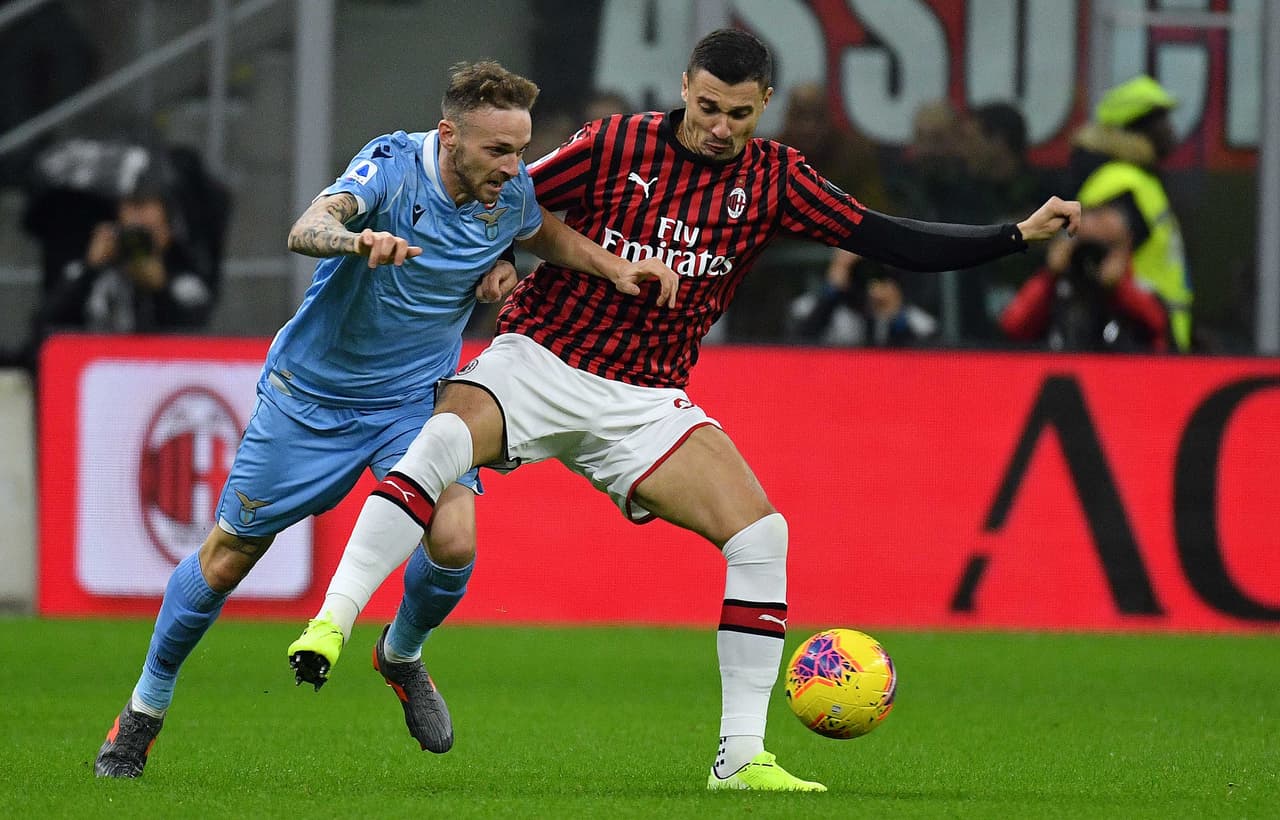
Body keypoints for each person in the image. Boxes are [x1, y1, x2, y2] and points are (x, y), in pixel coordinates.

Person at [288, 29, 1079, 792]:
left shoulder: (778, 179)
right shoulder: (614, 143)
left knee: (762, 536)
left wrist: (1015, 234)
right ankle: (333, 623)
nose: (719, 128)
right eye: (707, 107)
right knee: (439, 443)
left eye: (739, 113)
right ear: (683, 90)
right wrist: (496, 258)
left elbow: (887, 237)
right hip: (540, 359)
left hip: (645, 399)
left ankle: (740, 759)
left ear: (763, 104)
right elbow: (508, 200)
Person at [92, 60, 678, 779]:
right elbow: (309, 226)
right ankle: (142, 712)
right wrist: (357, 241)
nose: (514, 166)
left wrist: (608, 268)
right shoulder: (393, 168)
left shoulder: (508, 190)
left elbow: (541, 232)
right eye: (499, 150)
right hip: (311, 399)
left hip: (412, 402)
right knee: (227, 559)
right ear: (449, 136)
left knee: (455, 538)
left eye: (521, 149)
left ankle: (400, 654)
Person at [1066, 75, 1192, 351]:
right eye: (1161, 121)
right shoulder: (1120, 183)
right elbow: (1098, 267)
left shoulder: (1139, 179)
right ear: (1135, 128)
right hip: (1134, 341)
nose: (1171, 130)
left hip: (1154, 338)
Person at [1000, 205, 1170, 352]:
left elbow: (1159, 325)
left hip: (1119, 371)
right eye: (1086, 244)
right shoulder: (1056, 285)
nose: (1093, 257)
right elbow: (1013, 325)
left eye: (1107, 246)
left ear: (1126, 245)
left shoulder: (1138, 284)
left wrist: (1119, 287)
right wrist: (1050, 276)